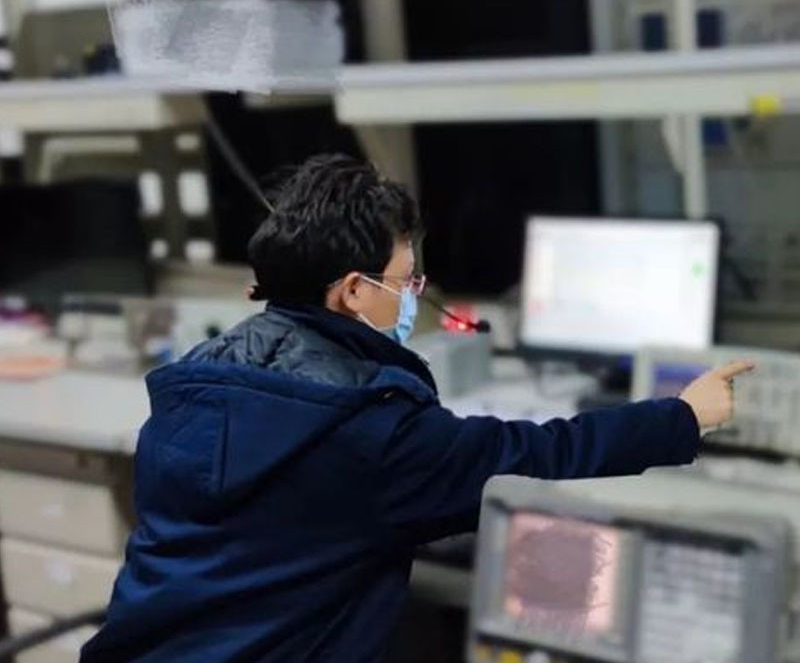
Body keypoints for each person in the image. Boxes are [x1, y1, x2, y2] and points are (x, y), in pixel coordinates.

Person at [81, 154, 753, 662]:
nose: (412, 297)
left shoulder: (196, 382)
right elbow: (533, 454)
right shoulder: (369, 432)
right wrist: (683, 416)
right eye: (405, 281)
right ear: (352, 291)